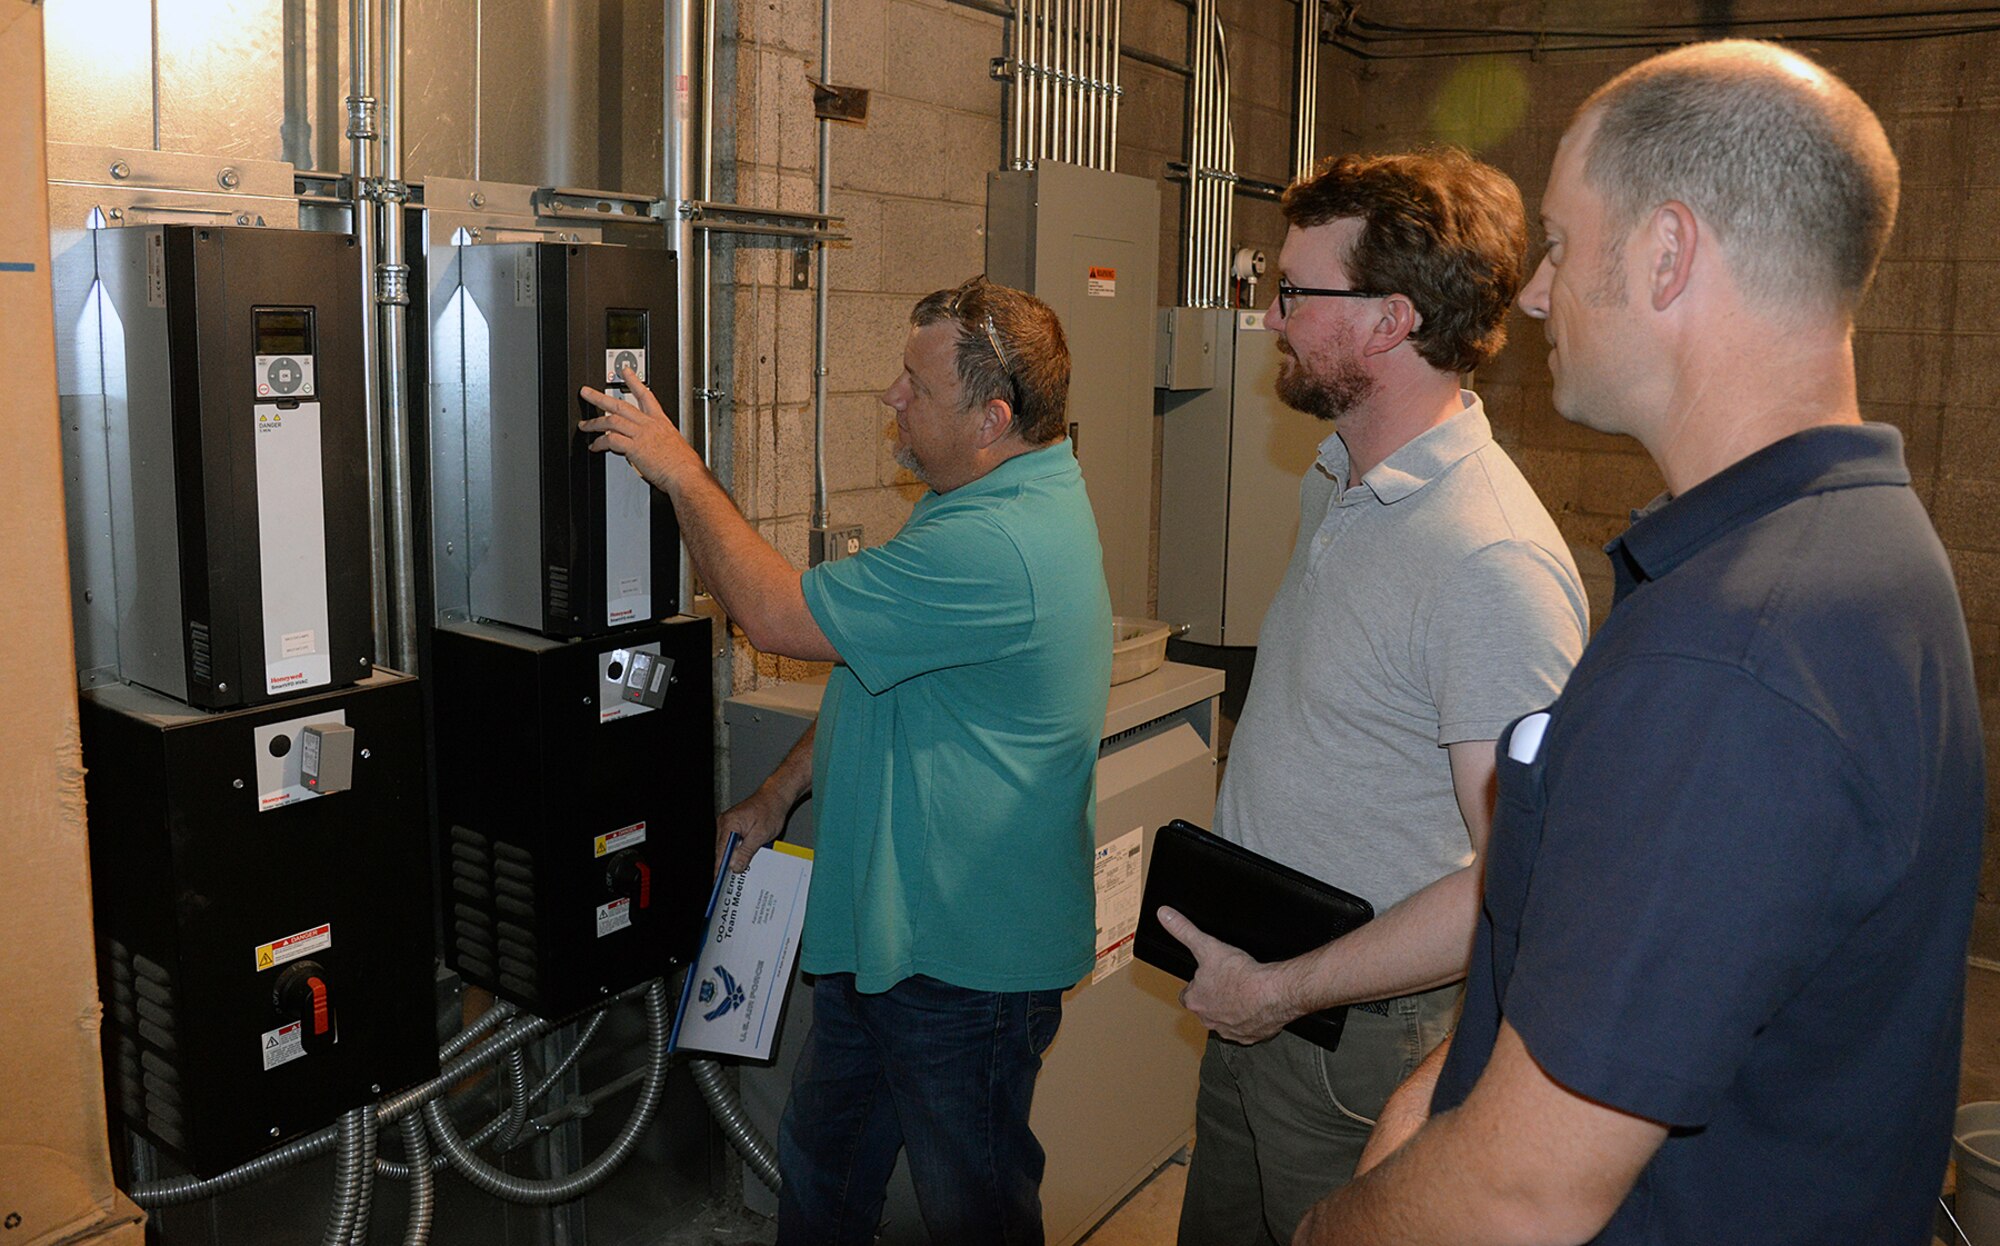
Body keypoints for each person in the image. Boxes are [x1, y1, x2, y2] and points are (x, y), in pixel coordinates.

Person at [1295, 41, 1984, 1246]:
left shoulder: (1732, 654)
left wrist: (1332, 1230)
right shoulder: (1858, 548)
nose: (1532, 294)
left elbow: (1524, 1193)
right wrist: (1441, 1088)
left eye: (1559, 244)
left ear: (1665, 254)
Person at [578, 277, 1112, 1246]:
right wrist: (778, 793)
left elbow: (775, 615)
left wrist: (678, 471)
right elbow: (886, 671)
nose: (890, 400)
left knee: (973, 1211)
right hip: (888, 941)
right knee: (823, 1170)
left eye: (915, 384)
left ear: (992, 417)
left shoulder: (996, 540)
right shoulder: (979, 499)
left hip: (962, 967)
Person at [1157, 149, 1589, 1245]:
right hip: (1259, 985)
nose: (1269, 321)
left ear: (1391, 319)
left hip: (1346, 1032)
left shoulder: (1487, 560)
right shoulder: (1336, 476)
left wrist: (1287, 990)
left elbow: (1515, 876)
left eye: (1294, 293)